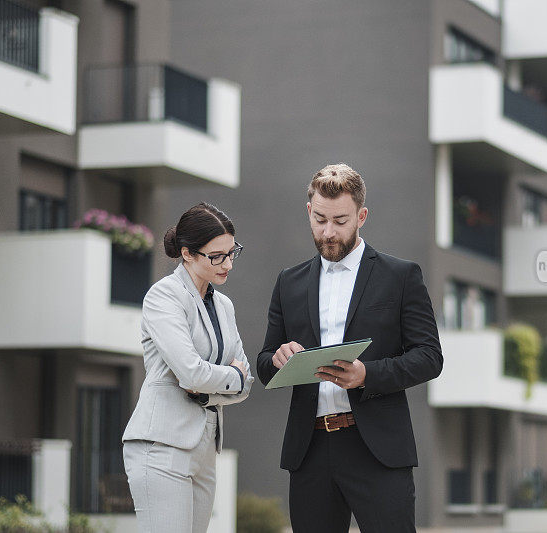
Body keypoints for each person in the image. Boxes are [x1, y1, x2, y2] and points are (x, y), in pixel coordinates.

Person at [256, 163, 443, 532]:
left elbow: (429, 357)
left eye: (340, 221)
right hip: (309, 451)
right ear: (309, 211)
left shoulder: (401, 276)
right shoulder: (288, 282)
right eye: (320, 219)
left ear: (361, 216)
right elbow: (264, 363)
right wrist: (278, 360)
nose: (328, 232)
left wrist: (366, 375)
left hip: (376, 449)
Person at [122, 202, 254, 533]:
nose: (228, 264)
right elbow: (191, 372)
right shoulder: (163, 297)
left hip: (206, 448)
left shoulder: (224, 306)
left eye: (231, 252)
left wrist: (222, 383)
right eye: (216, 256)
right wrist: (229, 376)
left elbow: (246, 381)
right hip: (162, 447)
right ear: (187, 254)